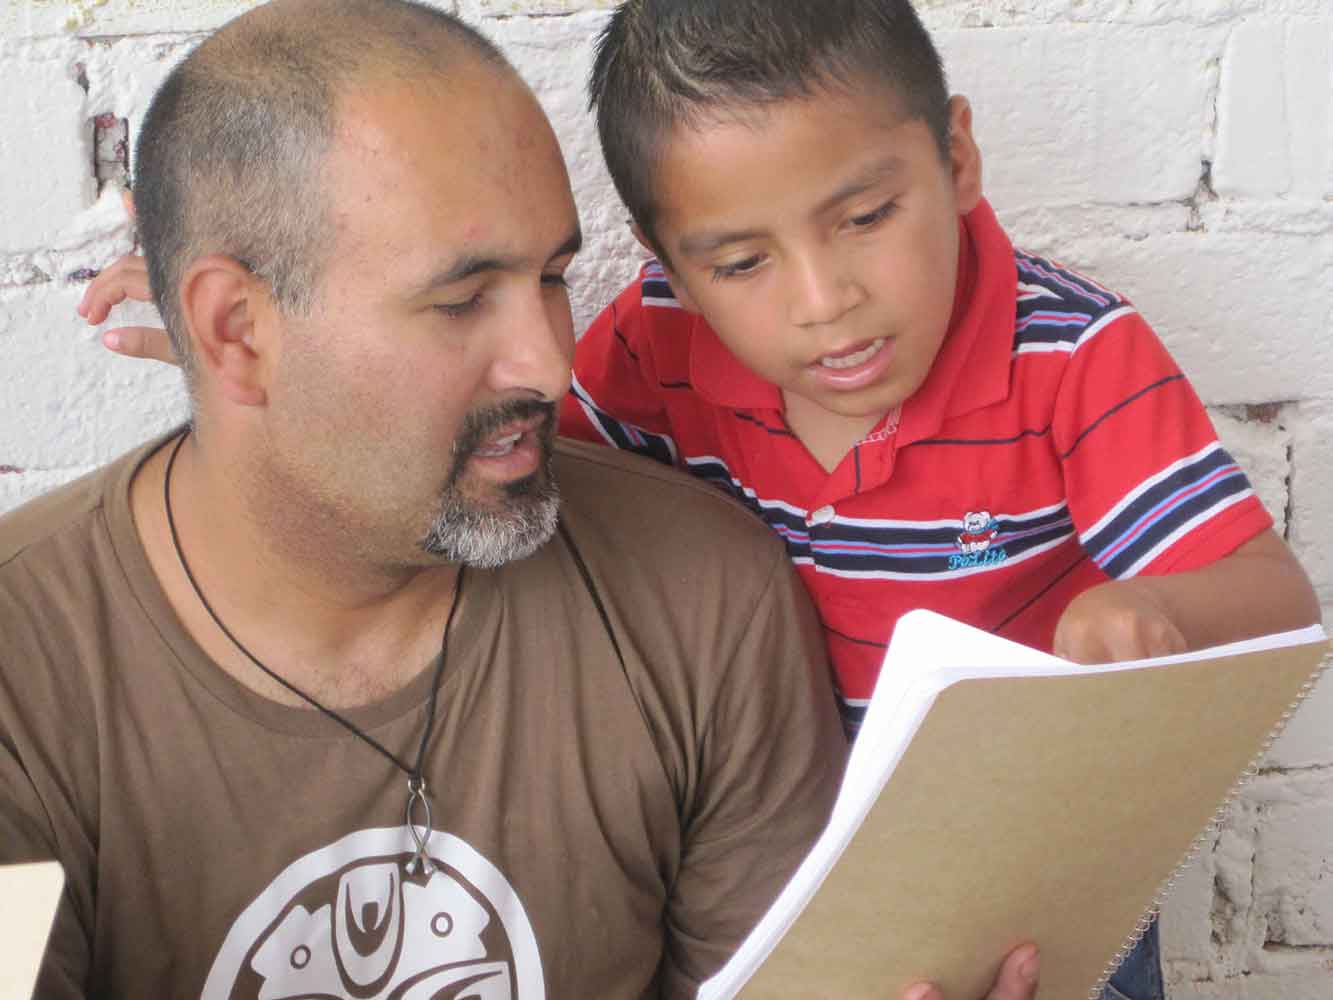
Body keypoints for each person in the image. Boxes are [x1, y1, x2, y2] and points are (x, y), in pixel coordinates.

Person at [0, 2, 863, 997]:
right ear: (237, 330)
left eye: (552, 277)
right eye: (461, 301)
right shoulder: (28, 671)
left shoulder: (702, 598)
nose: (547, 364)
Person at [554, 2, 1322, 1000]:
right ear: (670, 263)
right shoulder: (653, 343)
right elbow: (557, 518)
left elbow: (1275, 597)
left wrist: (1156, 611)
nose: (824, 297)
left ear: (955, 158)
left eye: (867, 217)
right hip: (774, 875)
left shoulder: (1070, 354)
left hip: (1023, 873)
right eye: (742, 262)